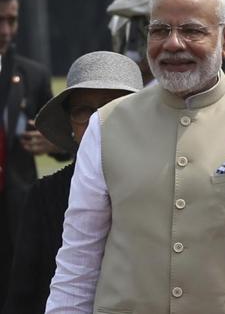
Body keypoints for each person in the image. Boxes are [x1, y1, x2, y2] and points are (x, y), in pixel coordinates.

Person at [46, 0, 225, 314]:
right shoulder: (106, 125)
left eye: (191, 30)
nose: (173, 44)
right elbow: (78, 257)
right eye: (160, 30)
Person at [1, 51, 143, 314]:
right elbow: (24, 294)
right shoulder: (44, 197)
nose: (97, 122)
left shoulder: (164, 184)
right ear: (69, 122)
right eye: (83, 111)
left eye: (113, 108)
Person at [0, 0, 62, 307]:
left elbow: (62, 140)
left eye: (12, 20)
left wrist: (53, 144)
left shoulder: (33, 75)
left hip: (16, 215)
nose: (7, 31)